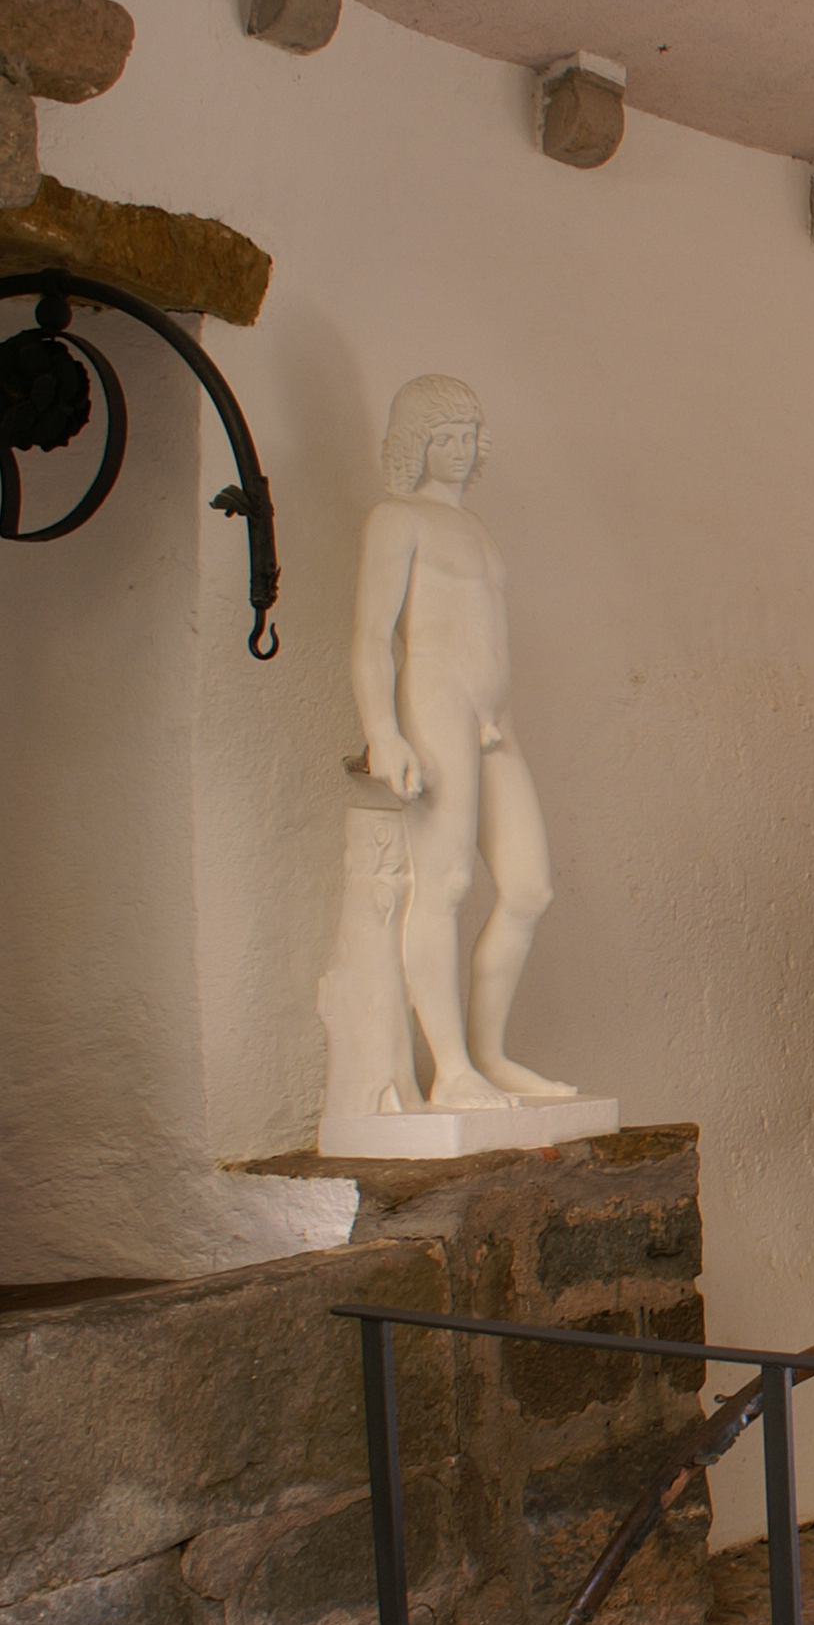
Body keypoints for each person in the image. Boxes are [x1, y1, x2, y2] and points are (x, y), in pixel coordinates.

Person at [352, 375, 579, 1110]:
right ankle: (451, 1071)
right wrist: (384, 733)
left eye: (467, 436)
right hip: (436, 700)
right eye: (442, 437)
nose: (456, 450)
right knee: (444, 883)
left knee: (529, 889)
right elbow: (371, 636)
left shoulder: (476, 527)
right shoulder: (397, 518)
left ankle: (488, 1056)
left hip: (493, 715)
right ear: (414, 445)